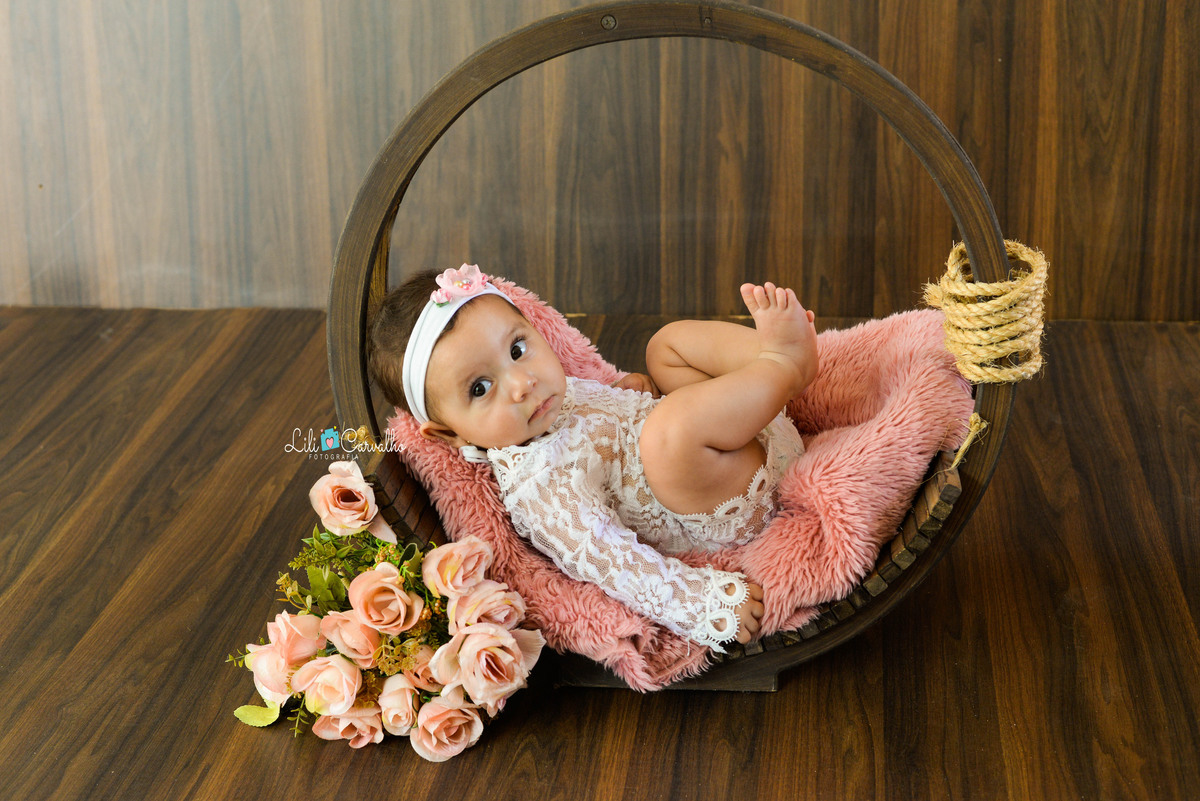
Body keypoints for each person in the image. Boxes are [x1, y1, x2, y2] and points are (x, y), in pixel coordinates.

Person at [368, 264, 818, 651]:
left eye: (518, 349)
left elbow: (602, 431)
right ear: (447, 432)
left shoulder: (548, 401)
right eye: (480, 388)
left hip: (748, 433)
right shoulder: (537, 487)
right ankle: (781, 363)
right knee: (668, 438)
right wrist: (704, 604)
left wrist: (627, 398)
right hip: (730, 504)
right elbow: (616, 563)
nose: (521, 382)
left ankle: (780, 363)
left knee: (666, 347)